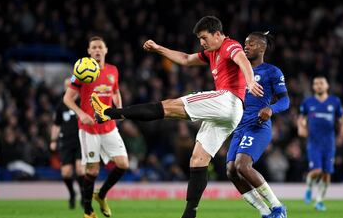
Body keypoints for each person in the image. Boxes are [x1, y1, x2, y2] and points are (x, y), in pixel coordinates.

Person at [91, 16, 263, 218]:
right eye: (200, 39)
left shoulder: (229, 45)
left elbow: (242, 59)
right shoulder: (212, 52)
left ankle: (110, 113)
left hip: (228, 100)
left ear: (217, 34)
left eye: (204, 38)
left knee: (168, 106)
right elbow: (185, 59)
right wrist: (158, 49)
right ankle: (189, 215)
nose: (202, 43)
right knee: (198, 159)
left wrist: (250, 81)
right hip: (230, 114)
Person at [64, 36, 129, 218]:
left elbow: (115, 91)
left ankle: (101, 195)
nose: (98, 50)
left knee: (123, 164)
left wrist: (120, 109)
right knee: (92, 170)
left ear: (106, 50)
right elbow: (67, 99)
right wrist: (82, 114)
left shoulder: (113, 70)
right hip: (89, 129)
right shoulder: (81, 71)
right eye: (94, 47)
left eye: (100, 47)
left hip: (108, 126)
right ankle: (88, 211)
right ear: (89, 51)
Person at [226, 31, 289, 218]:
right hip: (239, 126)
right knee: (231, 171)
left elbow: (286, 101)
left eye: (251, 44)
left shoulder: (272, 71)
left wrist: (270, 109)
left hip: (257, 125)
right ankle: (264, 212)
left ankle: (278, 207)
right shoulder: (238, 70)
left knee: (242, 166)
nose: (246, 47)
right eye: (245, 44)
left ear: (263, 47)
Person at [297, 76, 343, 211]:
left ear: (327, 86)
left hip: (329, 143)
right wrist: (301, 127)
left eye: (321, 83)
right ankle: (309, 188)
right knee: (317, 171)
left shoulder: (335, 101)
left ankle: (319, 201)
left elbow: (341, 117)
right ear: (313, 87)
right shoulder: (308, 102)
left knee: (326, 174)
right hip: (314, 143)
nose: (319, 85)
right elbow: (301, 118)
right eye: (316, 83)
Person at [50, 78, 85, 209]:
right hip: (65, 141)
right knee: (66, 172)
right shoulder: (61, 105)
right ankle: (72, 193)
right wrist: (53, 140)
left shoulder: (83, 103)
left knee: (80, 170)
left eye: (70, 85)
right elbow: (56, 125)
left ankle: (83, 194)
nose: (68, 88)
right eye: (66, 86)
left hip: (80, 140)